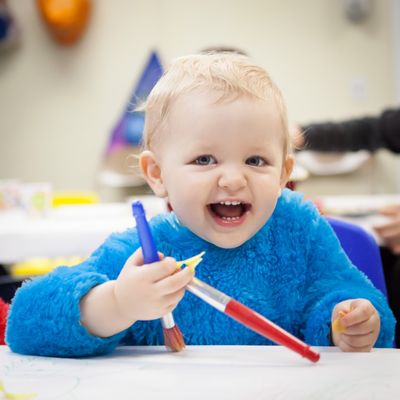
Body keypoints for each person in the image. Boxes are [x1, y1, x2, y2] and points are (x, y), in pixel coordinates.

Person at [6, 53, 395, 357]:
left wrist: (348, 319)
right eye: (205, 160)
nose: (233, 179)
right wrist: (117, 303)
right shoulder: (145, 253)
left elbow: (344, 294)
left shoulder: (300, 230)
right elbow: (25, 323)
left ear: (283, 173)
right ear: (157, 173)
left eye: (255, 161)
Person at [292, 109, 400, 346]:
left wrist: (342, 324)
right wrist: (302, 134)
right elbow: (374, 129)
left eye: (255, 161)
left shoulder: (301, 229)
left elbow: (333, 289)